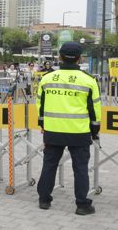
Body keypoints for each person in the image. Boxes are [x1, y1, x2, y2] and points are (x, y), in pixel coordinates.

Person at [36, 42, 101, 215]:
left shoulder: (47, 78)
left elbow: (40, 105)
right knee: (80, 168)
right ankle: (82, 205)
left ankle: (44, 200)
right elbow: (95, 109)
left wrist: (42, 124)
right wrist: (95, 131)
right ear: (80, 58)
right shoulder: (88, 80)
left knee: (49, 164)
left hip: (53, 130)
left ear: (60, 57)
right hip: (78, 132)